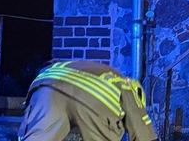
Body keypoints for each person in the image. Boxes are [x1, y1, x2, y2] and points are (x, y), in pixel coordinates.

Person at [18, 60, 158, 141]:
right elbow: (143, 133)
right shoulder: (130, 89)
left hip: (45, 87)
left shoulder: (89, 68)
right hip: (93, 96)